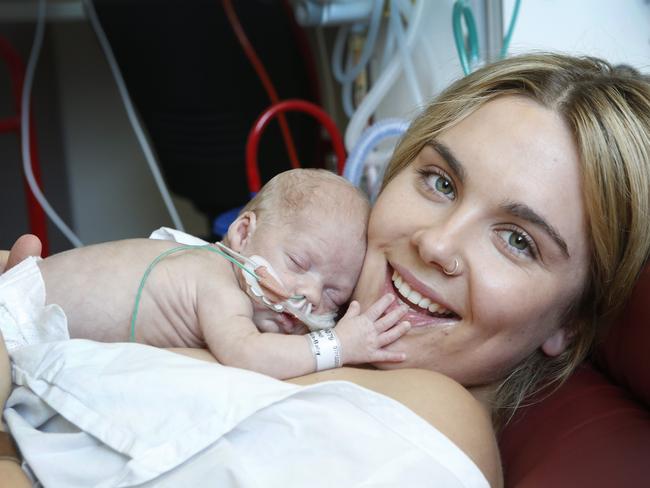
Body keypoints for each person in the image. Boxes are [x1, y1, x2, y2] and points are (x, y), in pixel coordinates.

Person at [2, 52, 650, 487]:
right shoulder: (291, 319)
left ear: (572, 320)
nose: (436, 243)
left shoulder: (425, 438)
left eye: (516, 239)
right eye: (440, 181)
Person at [1, 169, 411, 380]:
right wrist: (337, 344)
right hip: (16, 325)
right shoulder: (218, 284)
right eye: (299, 264)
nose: (309, 294)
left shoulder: (201, 264)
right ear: (242, 232)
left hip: (30, 286)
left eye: (333, 297)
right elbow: (248, 355)